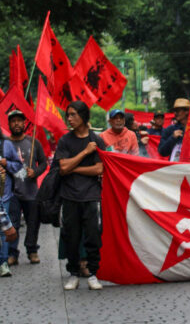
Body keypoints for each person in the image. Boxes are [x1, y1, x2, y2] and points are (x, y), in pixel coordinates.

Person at [55, 101, 107, 290]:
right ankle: (73, 273)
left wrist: (73, 168)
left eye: (73, 114)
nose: (69, 118)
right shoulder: (65, 141)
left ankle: (93, 273)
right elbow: (62, 168)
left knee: (93, 236)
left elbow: (99, 169)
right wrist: (85, 152)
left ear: (84, 116)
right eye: (68, 115)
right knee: (71, 236)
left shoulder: (96, 140)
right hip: (69, 196)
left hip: (91, 196)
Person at [7, 110, 47, 265]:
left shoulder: (33, 142)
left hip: (30, 191)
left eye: (19, 121)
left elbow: (44, 163)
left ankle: (32, 250)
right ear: (9, 124)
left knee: (33, 223)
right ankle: (12, 253)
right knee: (13, 223)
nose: (16, 124)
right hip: (11, 193)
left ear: (25, 124)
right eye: (13, 121)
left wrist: (35, 172)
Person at [0, 130, 22, 277]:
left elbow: (18, 165)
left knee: (4, 231)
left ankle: (3, 262)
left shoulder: (5, 144)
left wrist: (7, 164)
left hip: (4, 195)